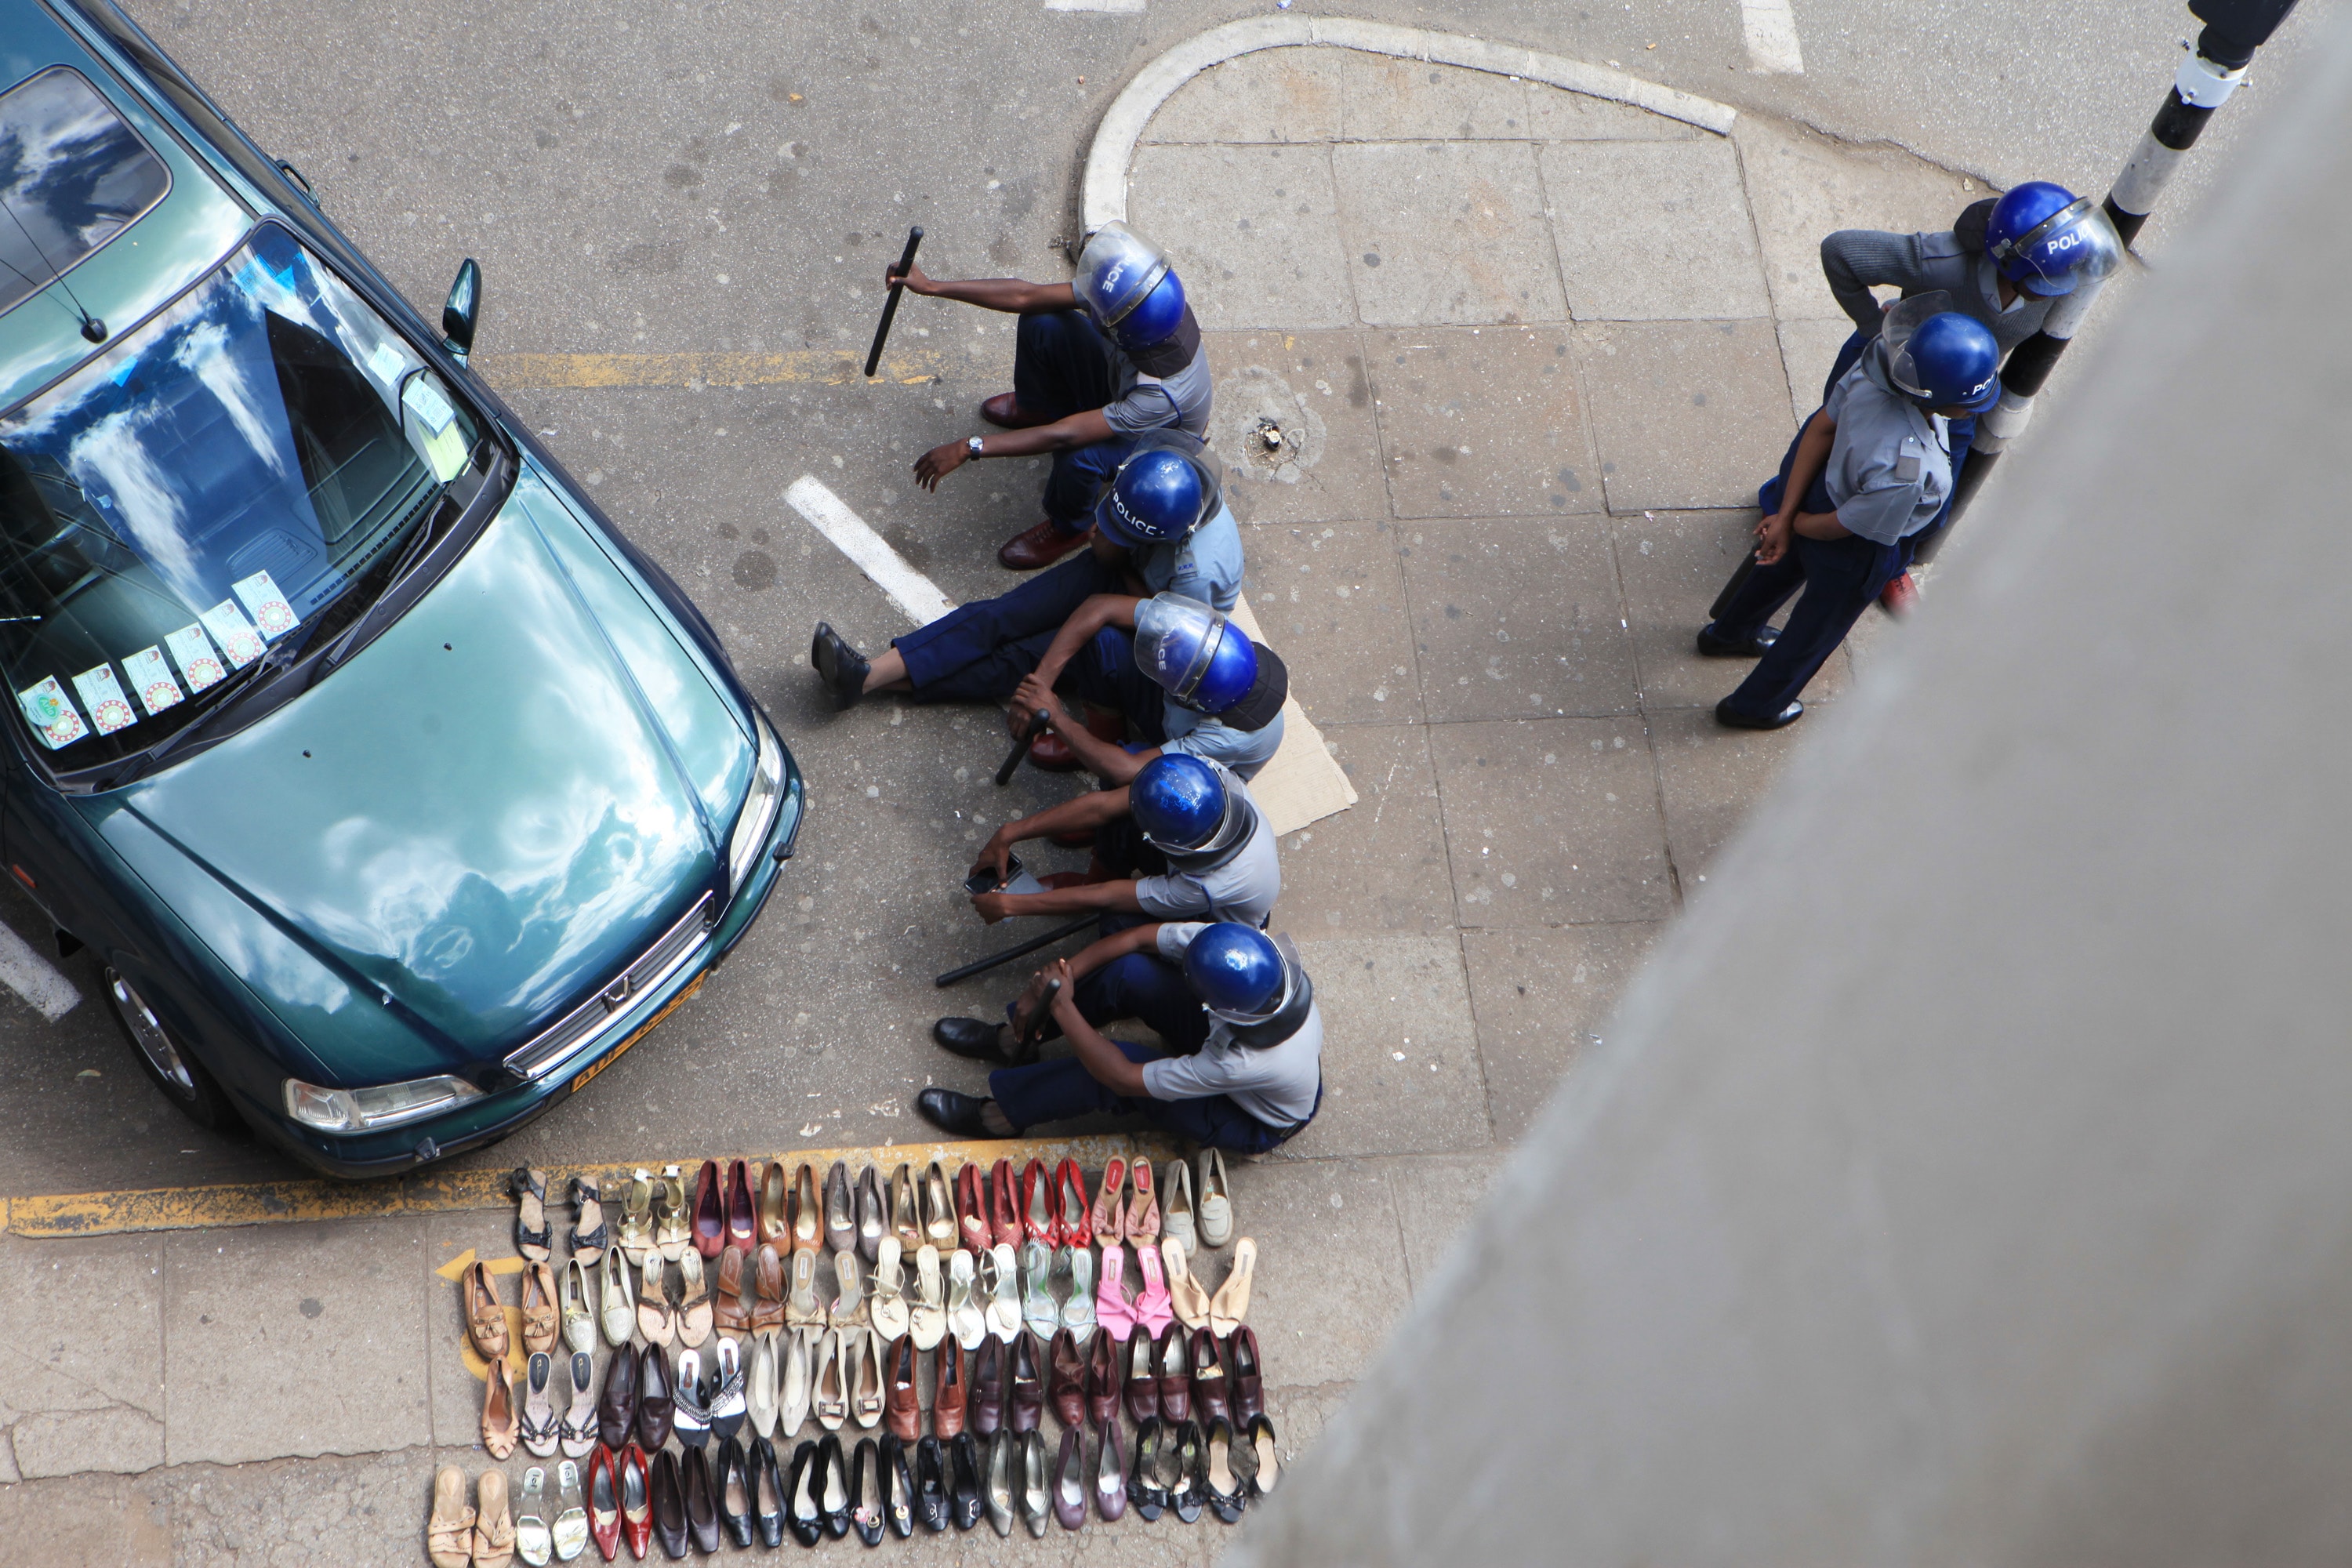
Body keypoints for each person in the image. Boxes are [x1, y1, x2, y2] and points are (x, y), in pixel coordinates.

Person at [810, 432, 1240, 765]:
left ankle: (865, 683)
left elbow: (1161, 637)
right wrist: (1112, 546)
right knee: (1001, 616)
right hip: (1121, 571)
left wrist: (1044, 680)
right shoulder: (1155, 476)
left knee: (1020, 659)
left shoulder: (1198, 573)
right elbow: (1104, 550)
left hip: (1151, 627)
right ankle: (866, 675)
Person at [1819, 181, 2123, 608]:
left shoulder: (2061, 278)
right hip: (1889, 375)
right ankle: (1784, 515)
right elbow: (1840, 252)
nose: (2066, 283)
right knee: (1828, 455)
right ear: (2011, 266)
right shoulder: (1941, 262)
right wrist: (1875, 328)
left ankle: (1891, 567)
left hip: (1956, 401)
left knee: (1932, 504)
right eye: (2051, 278)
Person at [1698, 302, 1998, 730]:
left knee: (1774, 568)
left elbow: (1821, 428)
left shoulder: (1874, 369)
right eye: (1970, 403)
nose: (1975, 409)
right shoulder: (1910, 470)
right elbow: (1851, 527)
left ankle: (1727, 635)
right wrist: (1796, 525)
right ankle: (1754, 707)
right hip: (1855, 546)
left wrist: (1785, 516)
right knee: (1813, 632)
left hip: (1820, 494)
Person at [889, 222, 1212, 569]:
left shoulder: (1160, 394)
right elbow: (1026, 296)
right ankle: (1038, 407)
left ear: (1125, 334)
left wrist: (971, 447)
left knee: (1079, 455)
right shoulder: (1134, 295)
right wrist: (933, 287)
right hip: (1119, 387)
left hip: (1149, 438)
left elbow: (1065, 433)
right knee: (1041, 320)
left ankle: (1070, 527)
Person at [914, 921, 1323, 1155]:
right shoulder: (1242, 951)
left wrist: (1062, 1006)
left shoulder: (1241, 1060)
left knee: (1107, 1069)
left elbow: (1123, 1077)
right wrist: (1058, 981)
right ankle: (1017, 1040)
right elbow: (1137, 941)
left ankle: (1004, 1116)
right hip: (1240, 1046)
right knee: (1132, 973)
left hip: (1249, 1116)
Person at [967, 751, 1280, 930]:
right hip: (1194, 867)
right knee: (1126, 816)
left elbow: (1109, 896)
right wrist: (1009, 833)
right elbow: (1103, 806)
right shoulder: (1208, 775)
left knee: (1116, 926)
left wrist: (1015, 905)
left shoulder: (1207, 886)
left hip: (1214, 920)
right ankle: (1087, 880)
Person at [1008, 590, 1287, 781]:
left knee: (1140, 783)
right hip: (1176, 712)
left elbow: (1127, 769)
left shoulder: (1226, 737)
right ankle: (1099, 740)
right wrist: (1040, 683)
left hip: (1195, 758)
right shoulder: (1209, 635)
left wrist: (1058, 718)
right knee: (1104, 642)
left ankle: (1103, 827)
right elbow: (1100, 606)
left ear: (1195, 702)